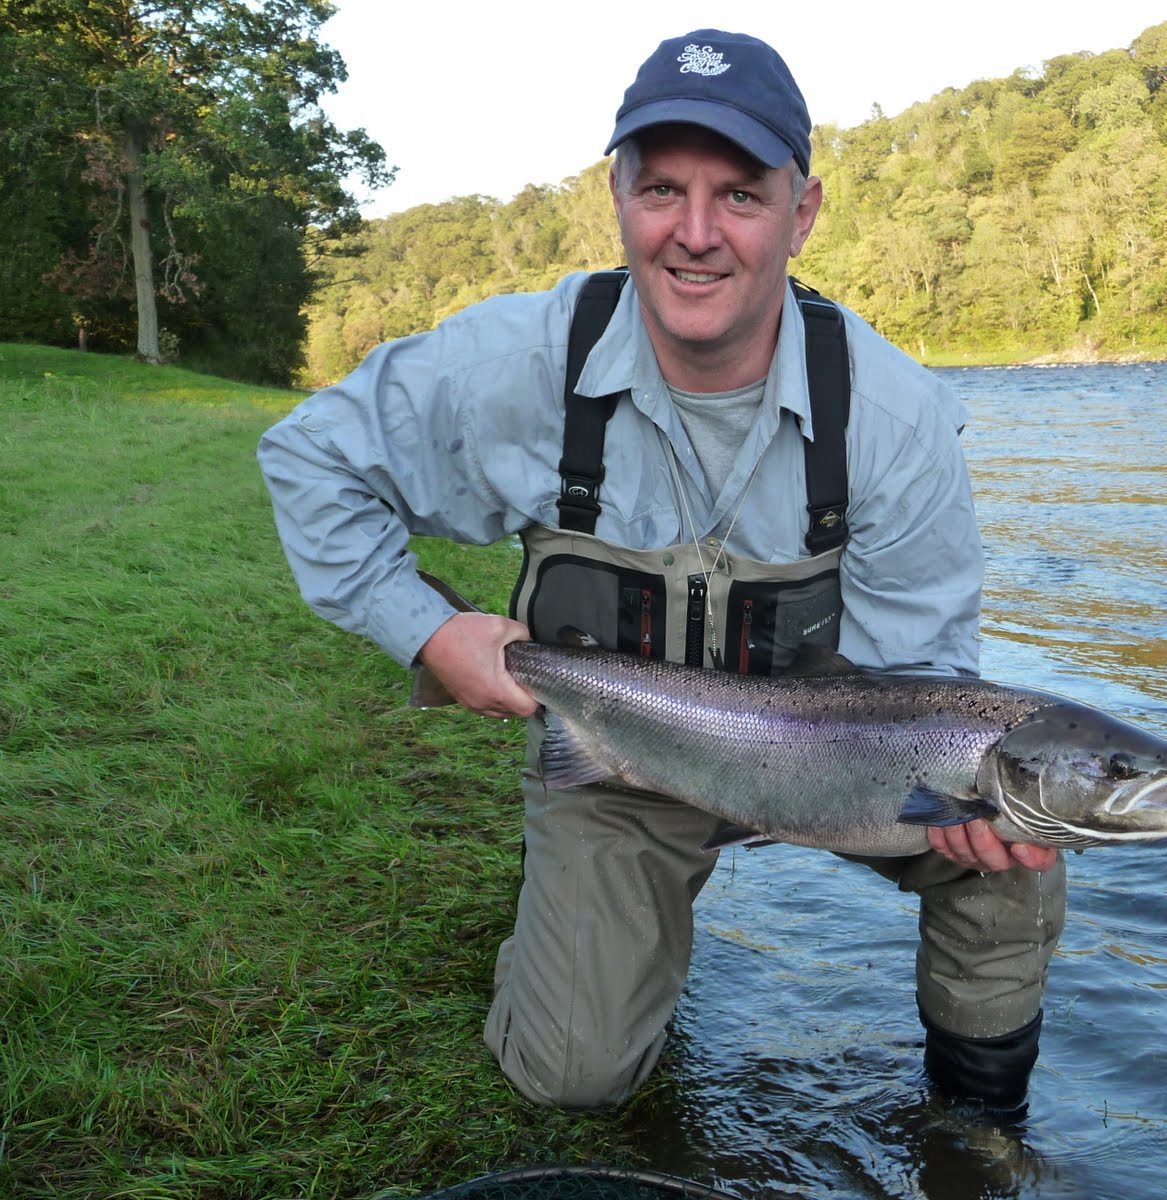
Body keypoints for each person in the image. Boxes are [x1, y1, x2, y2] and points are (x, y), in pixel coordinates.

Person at [257, 29, 1066, 1115]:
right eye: (662, 190)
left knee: (1021, 843)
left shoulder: (894, 417)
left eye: (738, 195)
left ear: (802, 211)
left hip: (839, 779)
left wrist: (960, 790)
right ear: (616, 197)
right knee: (572, 1081)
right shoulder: (521, 365)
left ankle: (978, 1128)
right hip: (619, 770)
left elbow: (921, 675)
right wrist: (430, 632)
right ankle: (571, 955)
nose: (695, 234)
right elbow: (311, 456)